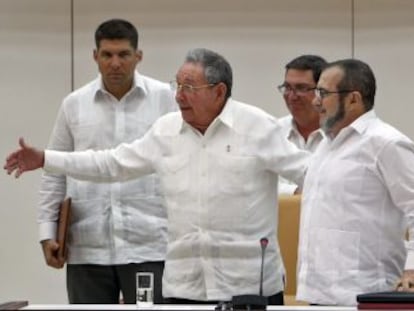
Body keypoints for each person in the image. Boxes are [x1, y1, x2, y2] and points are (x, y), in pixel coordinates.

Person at [4, 48, 310, 305]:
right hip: (184, 287)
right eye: (176, 85)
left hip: (248, 288)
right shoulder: (166, 131)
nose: (178, 96)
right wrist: (46, 158)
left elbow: (312, 174)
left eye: (189, 88)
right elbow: (112, 163)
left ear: (219, 92)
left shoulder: (257, 126)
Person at [37, 19, 177, 304]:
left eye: (124, 54)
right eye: (107, 55)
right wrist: (46, 231)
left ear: (138, 56)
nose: (115, 63)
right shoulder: (74, 104)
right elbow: (55, 172)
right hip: (89, 245)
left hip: (150, 243)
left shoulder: (166, 99)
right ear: (95, 56)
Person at [295, 58, 414, 306]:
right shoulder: (325, 145)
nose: (316, 101)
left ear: (353, 99)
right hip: (318, 292)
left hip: (365, 292)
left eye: (324, 93)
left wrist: (412, 269)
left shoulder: (386, 143)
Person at [276, 55, 327, 195]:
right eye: (287, 87)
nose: (292, 96)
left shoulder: (340, 136)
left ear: (321, 92)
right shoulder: (272, 132)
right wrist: (295, 192)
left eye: (301, 88)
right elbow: (257, 184)